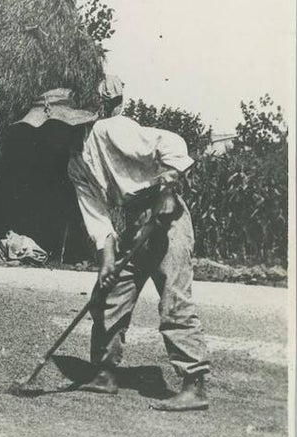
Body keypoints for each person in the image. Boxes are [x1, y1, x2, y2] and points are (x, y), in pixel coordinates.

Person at [67, 75, 211, 411]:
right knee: (109, 293)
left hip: (167, 214)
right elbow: (97, 216)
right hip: (136, 222)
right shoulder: (75, 165)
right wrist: (106, 260)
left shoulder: (110, 129)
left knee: (173, 299)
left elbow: (171, 142)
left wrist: (169, 186)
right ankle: (104, 373)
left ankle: (194, 384)